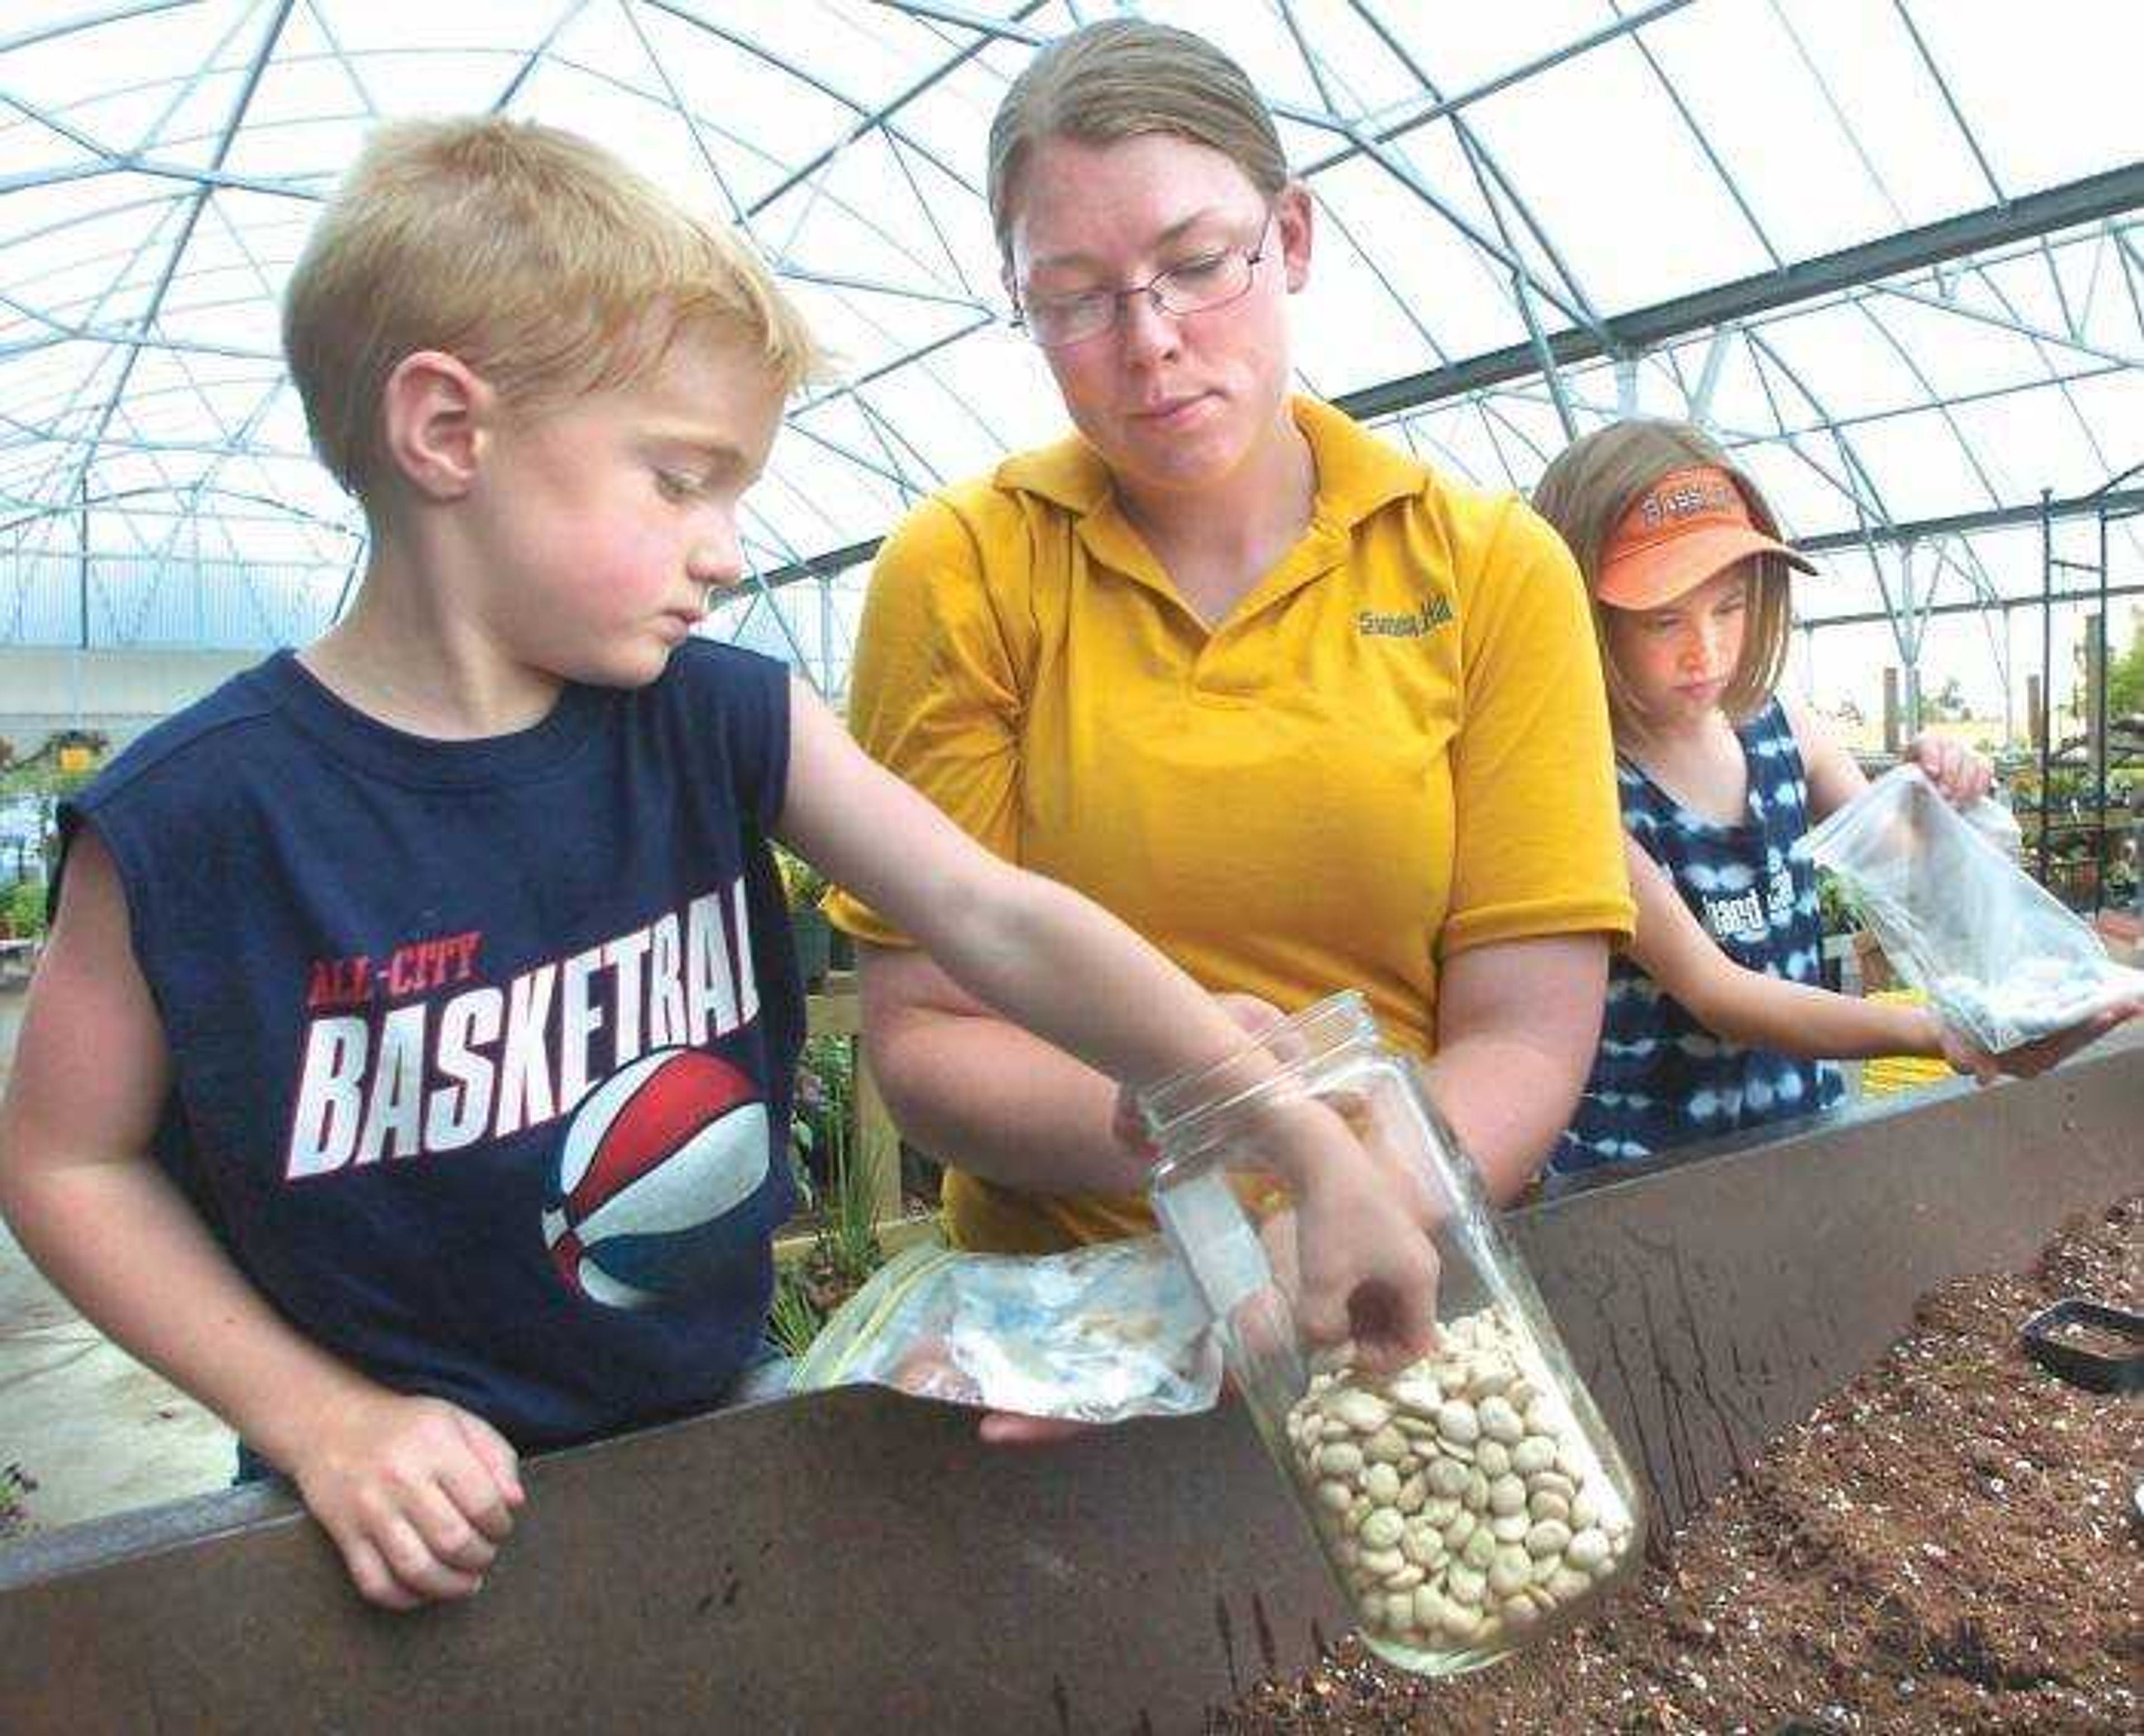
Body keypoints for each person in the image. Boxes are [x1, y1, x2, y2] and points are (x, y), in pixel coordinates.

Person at [0, 116, 1443, 1613]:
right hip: (384, 1513)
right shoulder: (201, 816)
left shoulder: (721, 716)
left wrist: (1301, 1131)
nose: (729, 548)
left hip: (718, 1428)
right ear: (446, 431)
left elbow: (990, 912)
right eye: (681, 481)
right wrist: (320, 1418)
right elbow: (63, 1157)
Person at [824, 18, 1636, 1245]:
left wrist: (1347, 1229)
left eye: (1198, 264)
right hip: (1068, 1321)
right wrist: (1176, 1107)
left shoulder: (1489, 569)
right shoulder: (967, 568)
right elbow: (928, 1033)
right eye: (1074, 298)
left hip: (1391, 1276)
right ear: (1022, 303)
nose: (1149, 341)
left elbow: (1522, 1032)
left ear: (1290, 238)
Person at [1530, 418, 2141, 1174]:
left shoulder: (1786, 731)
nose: (1708, 650)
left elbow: (1915, 879)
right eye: (1664, 620)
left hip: (1804, 1141)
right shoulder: (1580, 786)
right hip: (1644, 1179)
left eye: (1729, 606)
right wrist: (1936, 1029)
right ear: (1578, 617)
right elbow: (1718, 992)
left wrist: (1950, 800)